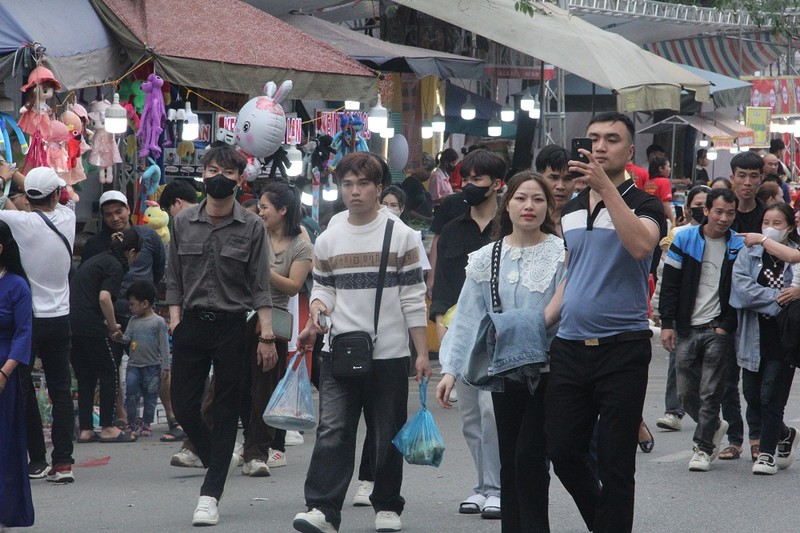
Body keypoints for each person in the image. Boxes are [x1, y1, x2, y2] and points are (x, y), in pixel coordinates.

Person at [292, 151, 431, 533]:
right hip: (338, 349)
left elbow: (412, 298)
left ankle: (386, 505)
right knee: (333, 431)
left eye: (363, 184)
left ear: (379, 187)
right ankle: (321, 508)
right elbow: (323, 287)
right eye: (348, 184)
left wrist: (422, 353)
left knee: (386, 432)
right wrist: (318, 309)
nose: (354, 192)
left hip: (389, 353)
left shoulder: (401, 235)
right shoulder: (330, 236)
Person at [545, 112, 666, 533]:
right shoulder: (572, 210)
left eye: (612, 139)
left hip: (623, 348)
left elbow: (639, 247)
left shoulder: (647, 204)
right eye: (594, 138)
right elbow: (571, 274)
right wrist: (539, 322)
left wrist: (606, 190)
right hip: (570, 346)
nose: (600, 146)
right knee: (562, 450)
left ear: (629, 152)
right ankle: (604, 522)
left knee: (616, 461)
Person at [437, 171, 566, 532]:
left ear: (549, 207)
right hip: (503, 371)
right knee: (509, 457)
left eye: (538, 199)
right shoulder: (485, 257)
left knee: (530, 455)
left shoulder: (562, 254)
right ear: (506, 205)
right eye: (521, 198)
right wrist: (450, 370)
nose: (529, 206)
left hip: (550, 370)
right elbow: (467, 318)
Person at [166, 145, 276, 526]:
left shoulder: (252, 226)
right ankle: (219, 458)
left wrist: (266, 334)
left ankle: (209, 496)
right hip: (191, 324)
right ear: (202, 172)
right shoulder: (182, 223)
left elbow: (260, 285)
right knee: (183, 406)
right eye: (213, 169)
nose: (219, 177)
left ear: (239, 179)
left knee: (228, 409)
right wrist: (175, 319)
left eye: (228, 173)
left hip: (232, 326)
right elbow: (173, 278)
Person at [430, 149, 506, 519]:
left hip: (502, 330)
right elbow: (441, 282)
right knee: (470, 416)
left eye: (478, 179)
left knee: (493, 412)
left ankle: (498, 487)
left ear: (497, 184)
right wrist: (439, 320)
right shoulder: (451, 228)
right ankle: (483, 485)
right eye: (466, 178)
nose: (469, 186)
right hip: (460, 327)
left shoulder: (509, 228)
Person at [0, 166, 76, 482]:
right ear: (56, 195)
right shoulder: (68, 218)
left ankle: (37, 459)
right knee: (60, 390)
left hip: (30, 319)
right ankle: (63, 462)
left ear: (29, 198)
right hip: (61, 318)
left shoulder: (18, 221)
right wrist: (16, 174)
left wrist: (6, 176)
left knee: (23, 388)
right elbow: (65, 196)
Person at [659, 188, 743, 471]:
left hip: (717, 329)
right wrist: (667, 323)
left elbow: (739, 289)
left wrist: (726, 325)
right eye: (718, 211)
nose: (724, 218)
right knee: (685, 392)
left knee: (711, 391)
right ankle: (714, 425)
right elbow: (669, 285)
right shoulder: (684, 239)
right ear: (706, 210)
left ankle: (703, 447)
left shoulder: (738, 246)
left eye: (730, 213)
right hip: (686, 327)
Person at [241, 181, 313, 477]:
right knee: (233, 384)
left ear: (283, 210)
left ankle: (259, 450)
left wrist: (262, 272)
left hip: (276, 320)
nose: (260, 212)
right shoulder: (255, 232)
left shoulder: (301, 244)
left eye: (265, 207)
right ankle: (207, 445)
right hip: (243, 315)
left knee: (263, 389)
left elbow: (294, 286)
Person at [81, 190, 166, 428]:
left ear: (129, 209)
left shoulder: (148, 237)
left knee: (156, 365)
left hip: (146, 315)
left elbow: (159, 268)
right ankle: (121, 416)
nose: (114, 218)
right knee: (112, 367)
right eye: (108, 214)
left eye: (119, 211)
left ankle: (172, 415)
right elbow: (94, 283)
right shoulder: (96, 244)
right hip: (113, 315)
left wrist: (145, 298)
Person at [732, 204, 800, 474]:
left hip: (785, 336)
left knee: (772, 396)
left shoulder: (794, 255)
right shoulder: (749, 253)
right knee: (753, 395)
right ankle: (784, 433)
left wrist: (793, 296)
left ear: (790, 228)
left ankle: (767, 454)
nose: (770, 227)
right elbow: (741, 292)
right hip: (753, 335)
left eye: (778, 222)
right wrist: (782, 299)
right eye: (766, 221)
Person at [70, 228, 141, 444]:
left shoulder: (97, 260)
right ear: (132, 252)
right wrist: (112, 326)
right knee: (109, 371)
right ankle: (109, 427)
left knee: (86, 376)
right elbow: (104, 298)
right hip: (91, 324)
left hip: (72, 324)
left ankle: (85, 429)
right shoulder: (115, 265)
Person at [651, 185, 711, 431]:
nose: (701, 209)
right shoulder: (678, 235)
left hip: (711, 311)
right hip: (682, 310)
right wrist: (660, 310)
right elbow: (665, 275)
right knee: (678, 361)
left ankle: (708, 417)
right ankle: (674, 410)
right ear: (688, 208)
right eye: (697, 204)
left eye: (706, 204)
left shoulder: (723, 236)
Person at [720, 151, 766, 461]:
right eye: (742, 176)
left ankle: (758, 435)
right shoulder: (722, 213)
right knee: (725, 381)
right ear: (733, 176)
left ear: (762, 179)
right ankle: (734, 437)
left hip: (757, 310)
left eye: (753, 176)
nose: (747, 183)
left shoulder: (768, 216)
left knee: (753, 381)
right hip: (722, 309)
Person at [0, 220, 34, 527]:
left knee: (4, 443)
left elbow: (24, 333)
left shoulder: (17, 286)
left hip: (2, 373)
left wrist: (5, 371)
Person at [113, 281, 169, 436]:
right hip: (134, 366)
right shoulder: (133, 321)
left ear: (145, 303)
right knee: (131, 394)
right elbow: (127, 338)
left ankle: (146, 423)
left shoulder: (158, 322)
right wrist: (119, 337)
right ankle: (132, 422)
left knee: (150, 397)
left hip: (153, 367)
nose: (130, 308)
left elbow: (164, 346)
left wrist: (165, 367)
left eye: (132, 304)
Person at [535, 144, 576, 236]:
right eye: (554, 177)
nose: (560, 186)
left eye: (568, 179)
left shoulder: (581, 220)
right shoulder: (527, 217)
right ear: (538, 177)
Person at [642, 156, 675, 225]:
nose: (670, 169)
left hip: (647, 217)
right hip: (659, 218)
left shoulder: (648, 182)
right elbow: (665, 203)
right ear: (661, 169)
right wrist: (673, 222)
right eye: (668, 166)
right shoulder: (664, 182)